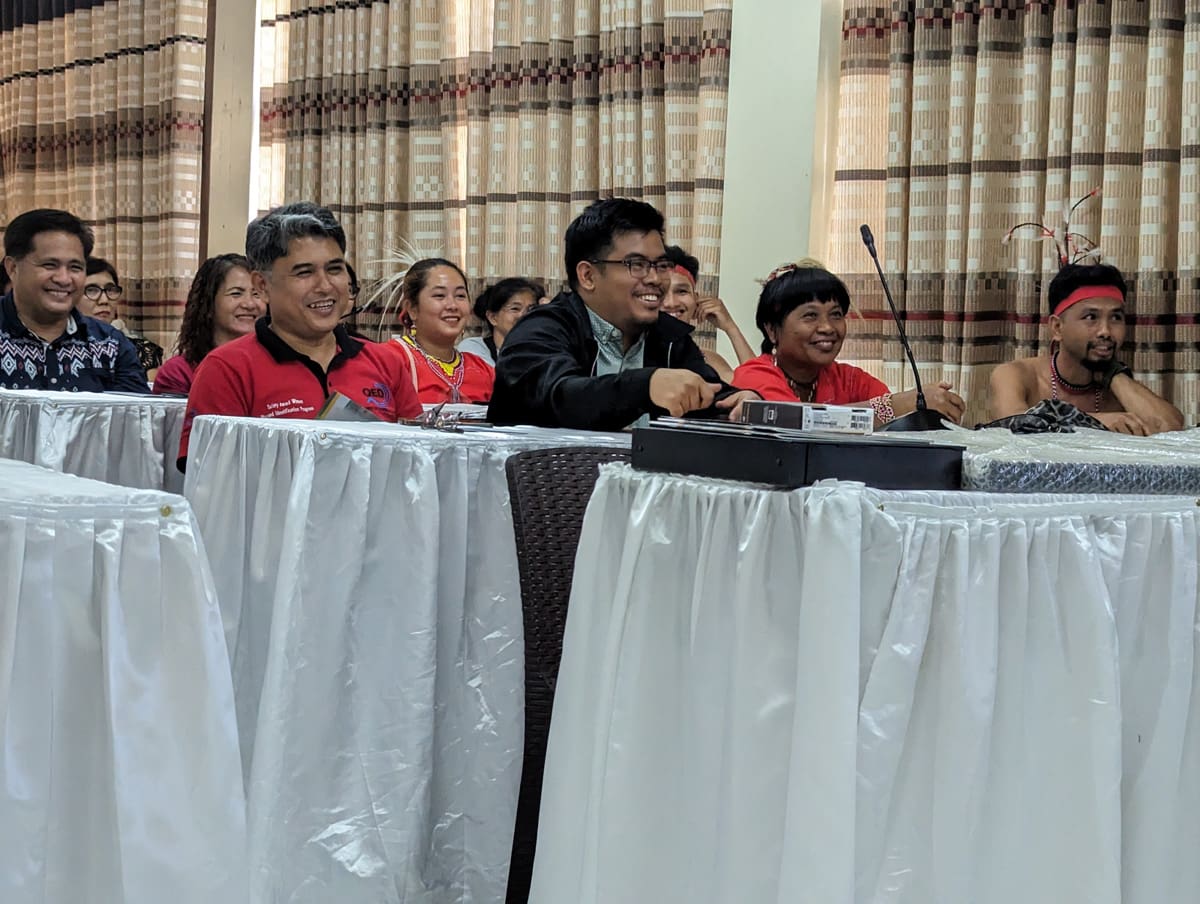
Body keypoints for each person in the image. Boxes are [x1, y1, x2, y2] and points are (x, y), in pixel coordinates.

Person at [177, 201, 422, 468]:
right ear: (262, 285)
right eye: (304, 272)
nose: (325, 286)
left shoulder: (385, 362)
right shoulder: (226, 369)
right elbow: (211, 479)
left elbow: (418, 463)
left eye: (335, 269)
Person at [488, 198, 759, 429]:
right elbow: (557, 397)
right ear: (588, 275)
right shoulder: (540, 330)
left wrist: (740, 399)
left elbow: (706, 394)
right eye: (637, 264)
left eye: (661, 265)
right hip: (547, 483)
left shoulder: (669, 338)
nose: (655, 278)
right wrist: (644, 387)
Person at [732, 261, 965, 427]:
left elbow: (890, 424)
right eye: (810, 316)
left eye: (835, 314)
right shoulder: (755, 374)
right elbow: (795, 422)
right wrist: (902, 402)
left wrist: (929, 407)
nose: (828, 327)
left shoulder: (850, 379)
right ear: (772, 330)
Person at [988, 263, 1183, 435]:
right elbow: (1012, 424)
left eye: (1116, 318)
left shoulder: (1119, 391)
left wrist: (1114, 374)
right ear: (1057, 327)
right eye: (1091, 317)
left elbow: (1170, 432)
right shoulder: (1016, 375)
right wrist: (1092, 422)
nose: (1106, 331)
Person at [0, 208, 149, 392]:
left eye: (75, 267)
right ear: (13, 268)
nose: (64, 279)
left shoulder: (111, 344)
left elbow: (134, 417)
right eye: (49, 265)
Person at [384, 257, 494, 403]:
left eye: (460, 296)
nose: (452, 305)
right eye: (439, 296)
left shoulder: (484, 370)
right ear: (412, 309)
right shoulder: (389, 359)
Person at [154, 253, 264, 395]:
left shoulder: (275, 367)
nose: (249, 304)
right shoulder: (178, 373)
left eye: (256, 294)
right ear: (209, 303)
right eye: (236, 294)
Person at [660, 244, 755, 383]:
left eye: (682, 291)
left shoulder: (708, 359)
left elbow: (759, 389)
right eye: (661, 292)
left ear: (696, 299)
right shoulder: (634, 357)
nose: (671, 303)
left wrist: (730, 328)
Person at [82, 257, 164, 380]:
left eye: (110, 290)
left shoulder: (141, 351)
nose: (104, 300)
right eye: (91, 290)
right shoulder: (56, 347)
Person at [457, 276, 541, 366]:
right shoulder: (473, 347)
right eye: (515, 309)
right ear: (493, 317)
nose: (524, 315)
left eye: (531, 309)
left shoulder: (541, 348)